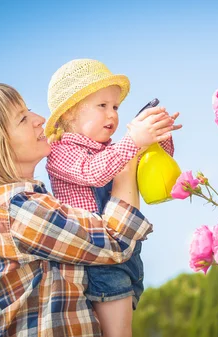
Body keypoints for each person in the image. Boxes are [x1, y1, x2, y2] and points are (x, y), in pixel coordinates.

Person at [0, 83, 176, 336]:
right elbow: (114, 241)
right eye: (22, 118)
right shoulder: (15, 210)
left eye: (29, 111)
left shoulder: (5, 204)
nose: (40, 119)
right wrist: (129, 157)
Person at [44, 58, 181, 337]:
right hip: (97, 259)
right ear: (69, 114)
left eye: (115, 107)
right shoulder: (60, 152)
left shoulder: (113, 149)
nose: (113, 115)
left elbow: (143, 163)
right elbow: (94, 173)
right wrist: (134, 142)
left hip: (125, 252)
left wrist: (157, 135)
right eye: (102, 106)